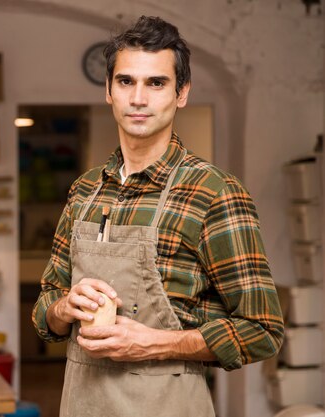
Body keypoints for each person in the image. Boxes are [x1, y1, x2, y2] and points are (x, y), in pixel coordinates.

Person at [32, 15, 284, 417]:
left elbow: (263, 331)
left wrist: (156, 343)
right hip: (82, 405)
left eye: (156, 83)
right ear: (109, 92)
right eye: (126, 81)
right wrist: (63, 308)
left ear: (181, 93)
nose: (138, 98)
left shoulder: (214, 193)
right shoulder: (85, 190)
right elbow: (45, 307)